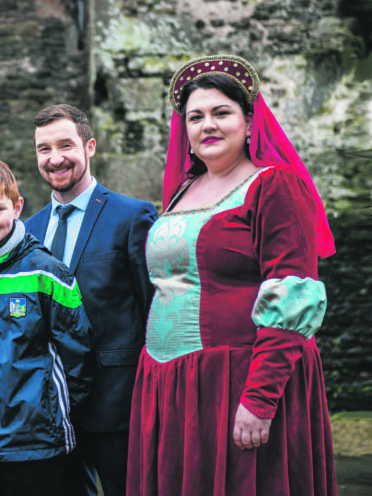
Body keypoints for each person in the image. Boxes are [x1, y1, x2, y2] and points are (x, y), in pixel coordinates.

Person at [126, 55, 337, 495]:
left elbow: (294, 294)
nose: (208, 125)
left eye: (221, 113)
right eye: (195, 117)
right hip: (172, 384)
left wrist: (260, 398)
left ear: (248, 120)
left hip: (235, 380)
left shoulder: (274, 184)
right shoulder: (184, 190)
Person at [24, 104, 157, 496]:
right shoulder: (28, 230)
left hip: (117, 401)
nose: (55, 158)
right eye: (43, 149)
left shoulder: (131, 216)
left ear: (90, 146)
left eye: (65, 145)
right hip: (51, 408)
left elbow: (151, 308)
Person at [0, 159, 94, 496]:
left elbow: (77, 356)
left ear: (17, 207)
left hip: (36, 443)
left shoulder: (46, 271)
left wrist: (49, 415)